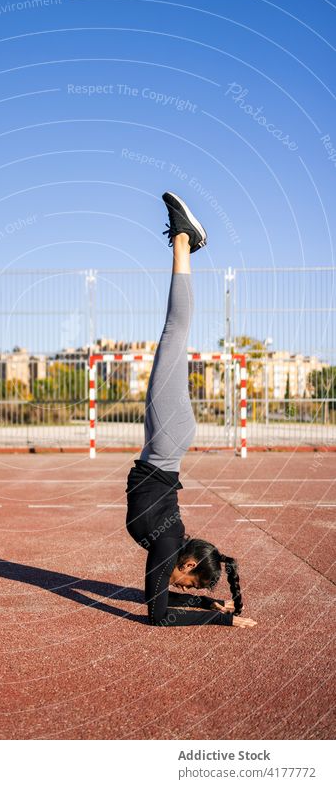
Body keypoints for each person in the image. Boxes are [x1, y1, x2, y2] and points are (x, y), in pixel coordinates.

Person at [125, 192, 257, 628]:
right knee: (173, 331)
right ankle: (185, 239)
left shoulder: (170, 545)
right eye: (194, 586)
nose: (186, 590)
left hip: (165, 443)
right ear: (188, 566)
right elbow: (159, 616)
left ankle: (186, 241)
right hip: (165, 441)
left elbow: (161, 608)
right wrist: (219, 620)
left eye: (193, 592)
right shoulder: (166, 548)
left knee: (174, 333)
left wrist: (212, 607)